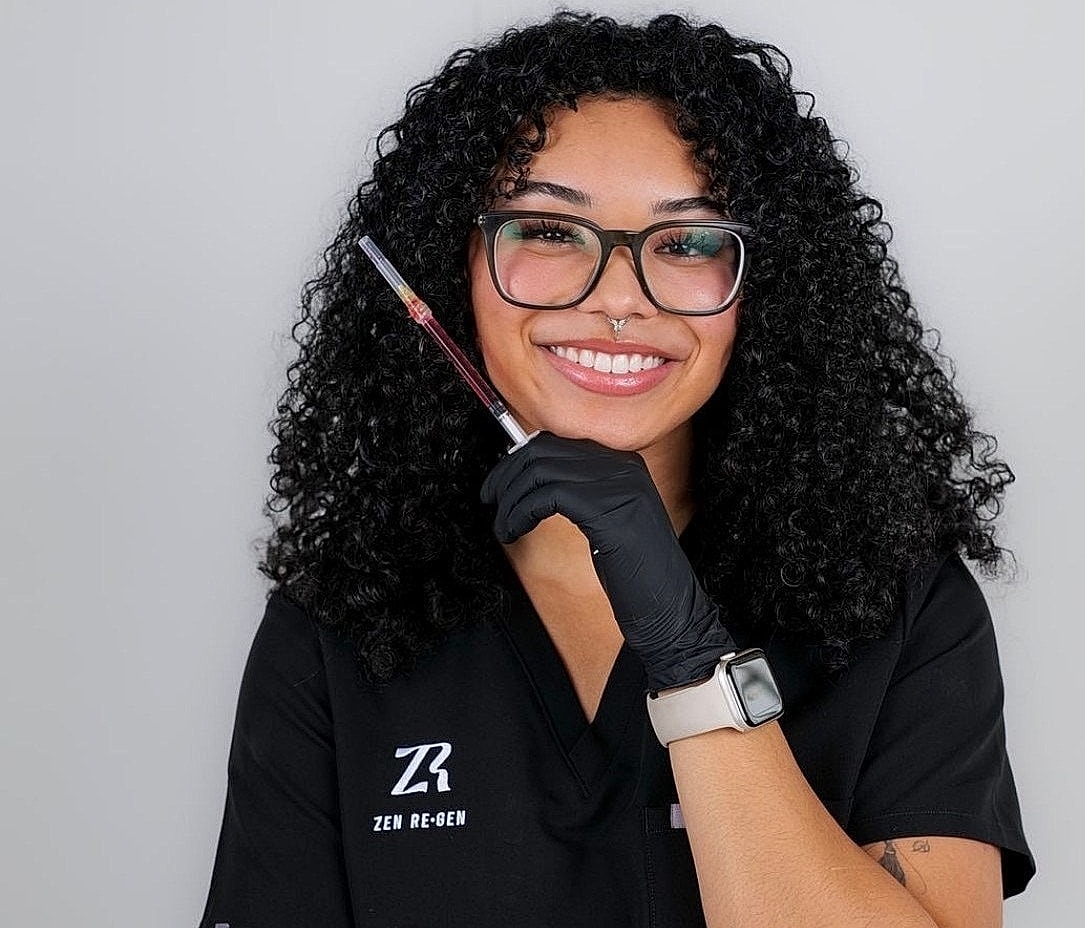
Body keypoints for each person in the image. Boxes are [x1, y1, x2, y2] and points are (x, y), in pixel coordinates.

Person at [201, 12, 1034, 927]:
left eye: (687, 243)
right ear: (451, 266)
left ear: (767, 289)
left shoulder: (899, 606)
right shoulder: (340, 621)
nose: (618, 301)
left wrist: (687, 649)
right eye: (549, 230)